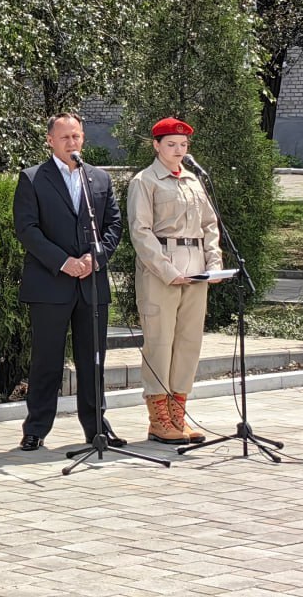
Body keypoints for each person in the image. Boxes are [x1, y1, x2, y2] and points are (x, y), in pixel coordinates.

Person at [12, 113, 124, 451]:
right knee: (47, 360)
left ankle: (96, 428)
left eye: (76, 137)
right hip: (51, 284)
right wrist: (64, 262)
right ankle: (36, 428)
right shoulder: (32, 179)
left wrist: (96, 258)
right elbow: (27, 230)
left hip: (92, 284)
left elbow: (114, 225)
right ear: (50, 140)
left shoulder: (99, 178)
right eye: (65, 138)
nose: (72, 143)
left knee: (93, 360)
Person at [126, 117, 222, 444]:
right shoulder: (145, 181)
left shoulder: (194, 180)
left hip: (195, 270)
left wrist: (214, 261)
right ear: (156, 145)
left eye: (183, 145)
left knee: (188, 344)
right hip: (161, 273)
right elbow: (140, 232)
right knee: (160, 342)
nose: (178, 150)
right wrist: (168, 271)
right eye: (171, 145)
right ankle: (159, 419)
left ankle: (178, 415)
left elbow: (210, 224)